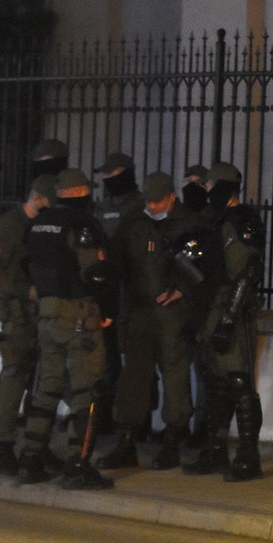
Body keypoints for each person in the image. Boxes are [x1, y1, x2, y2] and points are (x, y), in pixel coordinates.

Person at [95, 172, 205, 471]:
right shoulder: (134, 221)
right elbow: (117, 258)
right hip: (139, 312)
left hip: (173, 315)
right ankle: (127, 441)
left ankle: (172, 442)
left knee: (175, 376)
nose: (153, 206)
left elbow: (202, 263)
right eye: (149, 201)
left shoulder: (189, 223)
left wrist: (182, 288)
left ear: (172, 197)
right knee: (134, 378)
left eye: (158, 201)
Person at [18, 168, 116, 490]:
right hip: (79, 314)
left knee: (46, 389)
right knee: (86, 391)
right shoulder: (82, 225)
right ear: (82, 192)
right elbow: (96, 274)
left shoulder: (38, 224)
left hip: (47, 315)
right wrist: (108, 311)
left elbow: (26, 264)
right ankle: (78, 466)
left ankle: (30, 460)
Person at [182, 162, 266, 482]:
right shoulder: (212, 219)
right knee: (215, 383)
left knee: (239, 381)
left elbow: (246, 273)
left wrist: (229, 318)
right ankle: (215, 450)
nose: (205, 191)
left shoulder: (240, 220)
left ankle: (248, 456)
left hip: (231, 306)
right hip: (208, 306)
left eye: (209, 186)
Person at [0, 175, 56, 475]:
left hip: (42, 315)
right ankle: (3, 448)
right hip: (18, 315)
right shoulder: (9, 225)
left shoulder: (42, 225)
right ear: (36, 199)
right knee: (14, 379)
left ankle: (37, 446)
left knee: (43, 383)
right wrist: (26, 291)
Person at [92, 152, 145, 435]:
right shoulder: (102, 208)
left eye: (110, 174)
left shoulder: (140, 206)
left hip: (133, 292)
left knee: (136, 359)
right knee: (105, 357)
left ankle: (138, 422)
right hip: (106, 291)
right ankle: (103, 416)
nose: (105, 179)